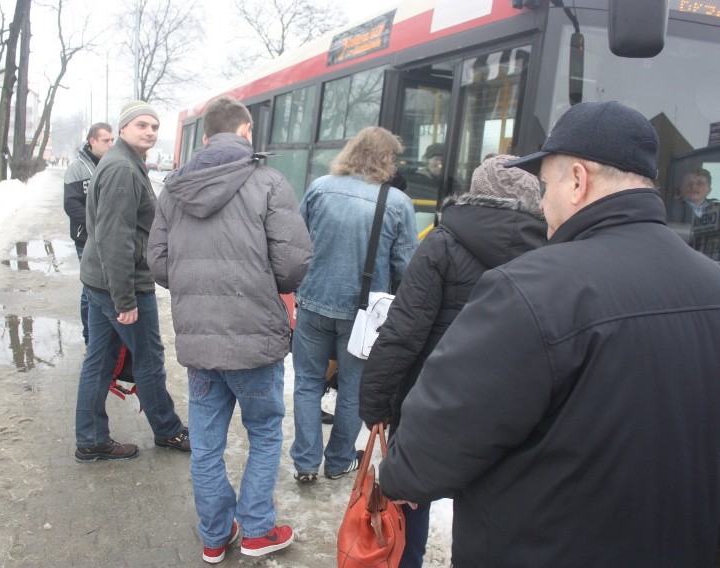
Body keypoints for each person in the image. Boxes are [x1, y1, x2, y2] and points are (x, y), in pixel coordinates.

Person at [379, 101, 720, 566]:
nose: (541, 203)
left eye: (546, 185)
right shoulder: (711, 282)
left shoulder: (529, 289)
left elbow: (420, 463)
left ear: (577, 181)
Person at [359, 154, 547, 567]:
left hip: (433, 400)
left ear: (477, 191)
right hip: (514, 407)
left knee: (411, 499)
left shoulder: (443, 241)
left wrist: (375, 402)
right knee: (490, 505)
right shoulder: (551, 248)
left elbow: (404, 331)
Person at [148, 96, 312, 564]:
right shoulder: (269, 182)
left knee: (205, 444)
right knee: (262, 433)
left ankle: (215, 535)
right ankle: (259, 530)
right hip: (256, 337)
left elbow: (158, 262)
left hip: (199, 341)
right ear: (246, 132)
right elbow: (294, 262)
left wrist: (194, 284)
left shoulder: (174, 190)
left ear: (204, 140)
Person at [290, 126, 418, 483]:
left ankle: (304, 462)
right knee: (352, 390)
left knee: (306, 384)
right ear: (386, 160)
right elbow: (407, 268)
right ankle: (338, 462)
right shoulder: (396, 203)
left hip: (313, 303)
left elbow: (298, 244)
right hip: (363, 314)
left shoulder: (319, 188)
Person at [74, 100, 189, 462]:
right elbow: (115, 238)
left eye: (154, 127)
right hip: (122, 285)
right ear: (123, 129)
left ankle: (91, 437)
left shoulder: (125, 162)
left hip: (100, 279)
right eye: (142, 125)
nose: (150, 132)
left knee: (101, 359)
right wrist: (125, 300)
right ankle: (168, 431)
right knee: (149, 359)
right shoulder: (123, 168)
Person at [63, 122, 114, 345]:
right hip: (87, 239)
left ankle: (105, 339)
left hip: (110, 239)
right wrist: (98, 225)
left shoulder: (112, 164)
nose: (110, 144)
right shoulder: (77, 168)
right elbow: (72, 205)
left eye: (112, 140)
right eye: (106, 141)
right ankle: (90, 339)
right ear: (92, 141)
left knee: (108, 287)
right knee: (90, 289)